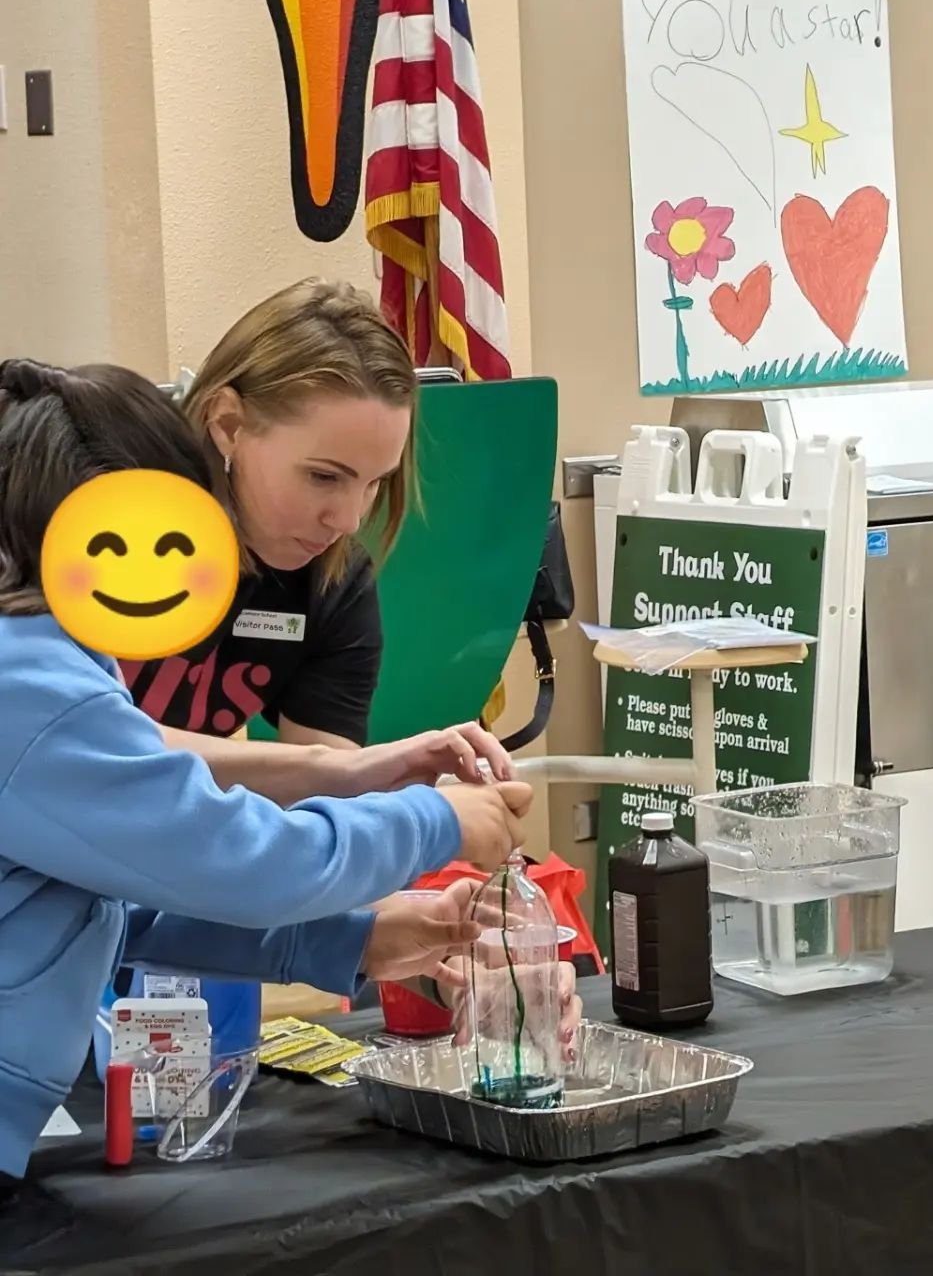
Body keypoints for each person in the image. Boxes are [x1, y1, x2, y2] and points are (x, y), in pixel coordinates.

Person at [0, 358, 575, 1181]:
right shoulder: (29, 683)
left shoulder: (51, 664)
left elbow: (112, 907)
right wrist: (440, 819)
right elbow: (236, 861)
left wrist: (361, 937)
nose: (341, 516)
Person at [118, 277, 513, 795]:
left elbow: (319, 799)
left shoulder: (335, 584)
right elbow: (74, 741)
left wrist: (405, 809)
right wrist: (340, 770)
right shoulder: (100, 527)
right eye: (323, 476)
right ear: (229, 424)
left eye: (375, 483)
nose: (349, 521)